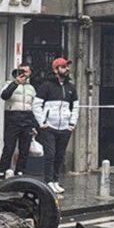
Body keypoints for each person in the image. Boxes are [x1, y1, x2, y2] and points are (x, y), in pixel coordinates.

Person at [32, 58, 79, 194]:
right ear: (55, 69)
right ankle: (48, 181)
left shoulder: (71, 87)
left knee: (60, 155)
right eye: (63, 67)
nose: (67, 69)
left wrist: (72, 124)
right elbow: (36, 105)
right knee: (50, 154)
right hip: (49, 127)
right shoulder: (46, 86)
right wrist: (43, 123)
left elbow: (75, 107)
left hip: (65, 127)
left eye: (67, 67)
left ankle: (56, 180)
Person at [0, 63, 37, 181]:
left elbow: (34, 106)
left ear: (30, 73)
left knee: (24, 148)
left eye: (26, 71)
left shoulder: (32, 88)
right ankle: (2, 172)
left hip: (27, 118)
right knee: (9, 147)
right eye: (21, 70)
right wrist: (15, 83)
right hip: (12, 117)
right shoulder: (9, 83)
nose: (24, 73)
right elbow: (4, 96)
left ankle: (20, 171)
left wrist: (34, 124)